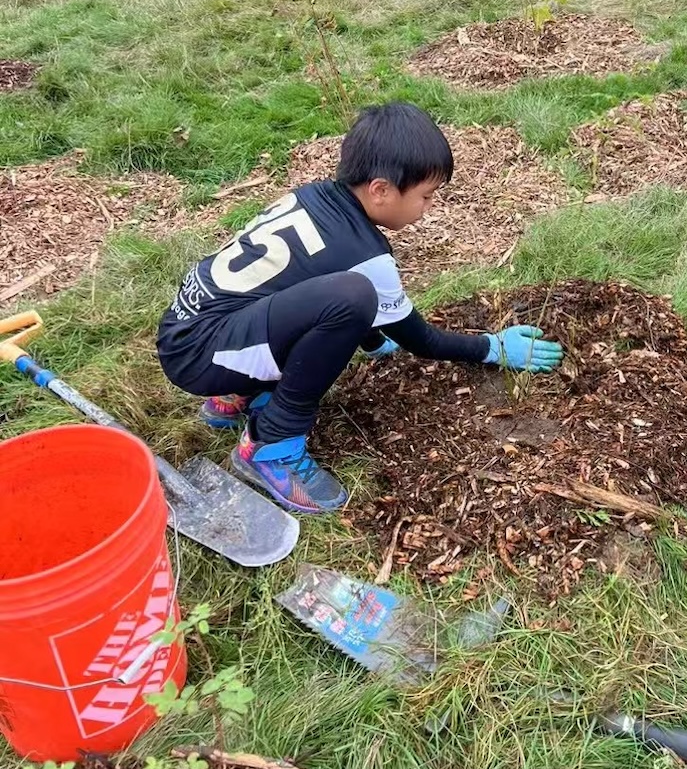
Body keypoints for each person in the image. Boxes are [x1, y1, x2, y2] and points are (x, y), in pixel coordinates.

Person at [156, 103, 564, 515]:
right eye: (426, 196)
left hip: (186, 328)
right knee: (354, 296)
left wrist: (369, 339)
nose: (429, 207)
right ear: (381, 190)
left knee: (342, 299)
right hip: (201, 358)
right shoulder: (369, 257)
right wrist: (491, 348)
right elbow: (420, 339)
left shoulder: (312, 196)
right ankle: (272, 445)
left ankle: (239, 394)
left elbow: (302, 282)